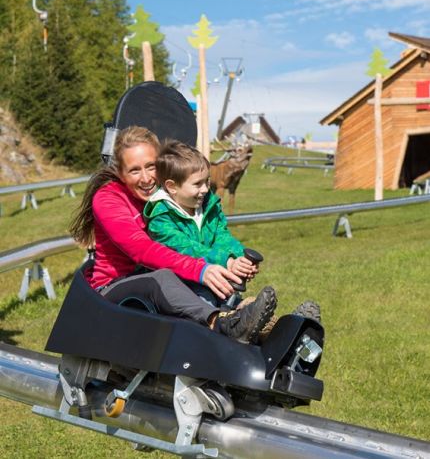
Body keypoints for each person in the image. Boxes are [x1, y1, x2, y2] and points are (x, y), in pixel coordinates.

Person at [69, 126, 277, 344]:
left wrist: (231, 259)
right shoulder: (108, 199)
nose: (146, 178)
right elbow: (142, 249)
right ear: (120, 173)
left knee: (182, 278)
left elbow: (201, 236)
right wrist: (200, 269)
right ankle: (221, 322)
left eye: (151, 167)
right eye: (134, 170)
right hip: (115, 286)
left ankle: (264, 324)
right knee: (162, 278)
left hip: (159, 278)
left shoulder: (168, 194)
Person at [144, 140, 258, 306]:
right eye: (197, 184)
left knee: (226, 296)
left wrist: (240, 257)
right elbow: (186, 247)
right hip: (178, 283)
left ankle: (245, 317)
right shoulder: (161, 217)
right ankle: (227, 321)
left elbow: (221, 235)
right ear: (172, 187)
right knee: (207, 300)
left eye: (206, 181)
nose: (205, 189)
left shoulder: (208, 205)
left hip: (211, 275)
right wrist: (226, 261)